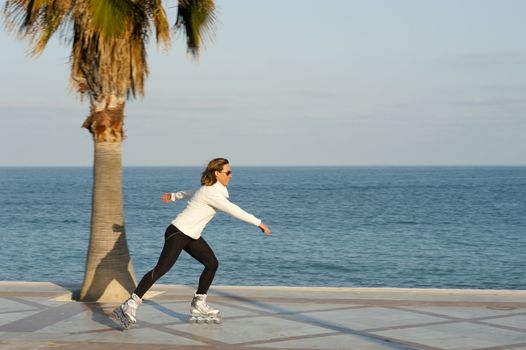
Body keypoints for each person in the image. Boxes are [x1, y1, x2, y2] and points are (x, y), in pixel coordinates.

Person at [113, 158, 271, 328]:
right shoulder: (212, 193)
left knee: (211, 263)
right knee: (162, 268)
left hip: (190, 235)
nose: (231, 176)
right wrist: (258, 222)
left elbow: (190, 193)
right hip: (178, 232)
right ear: (217, 174)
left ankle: (198, 303)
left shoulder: (208, 189)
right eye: (228, 172)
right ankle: (130, 304)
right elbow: (233, 210)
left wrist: (173, 196)